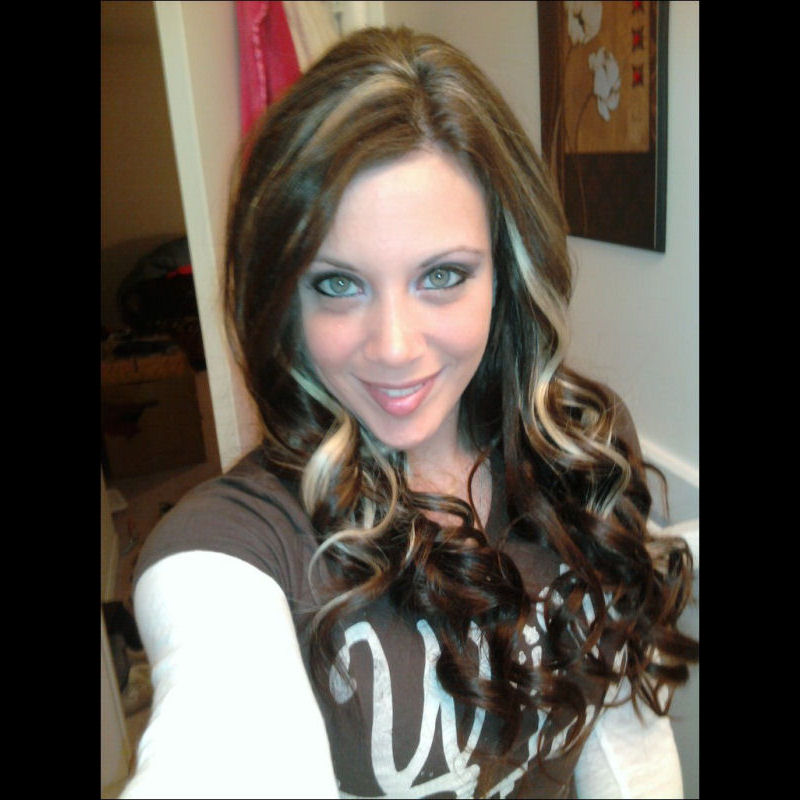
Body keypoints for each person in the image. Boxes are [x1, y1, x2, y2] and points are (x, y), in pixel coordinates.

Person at [120, 26, 697, 799]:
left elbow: (626, 742)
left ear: (506, 271)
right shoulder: (235, 544)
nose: (393, 348)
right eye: (337, 283)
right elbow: (219, 743)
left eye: (443, 276)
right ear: (282, 299)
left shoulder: (578, 448)